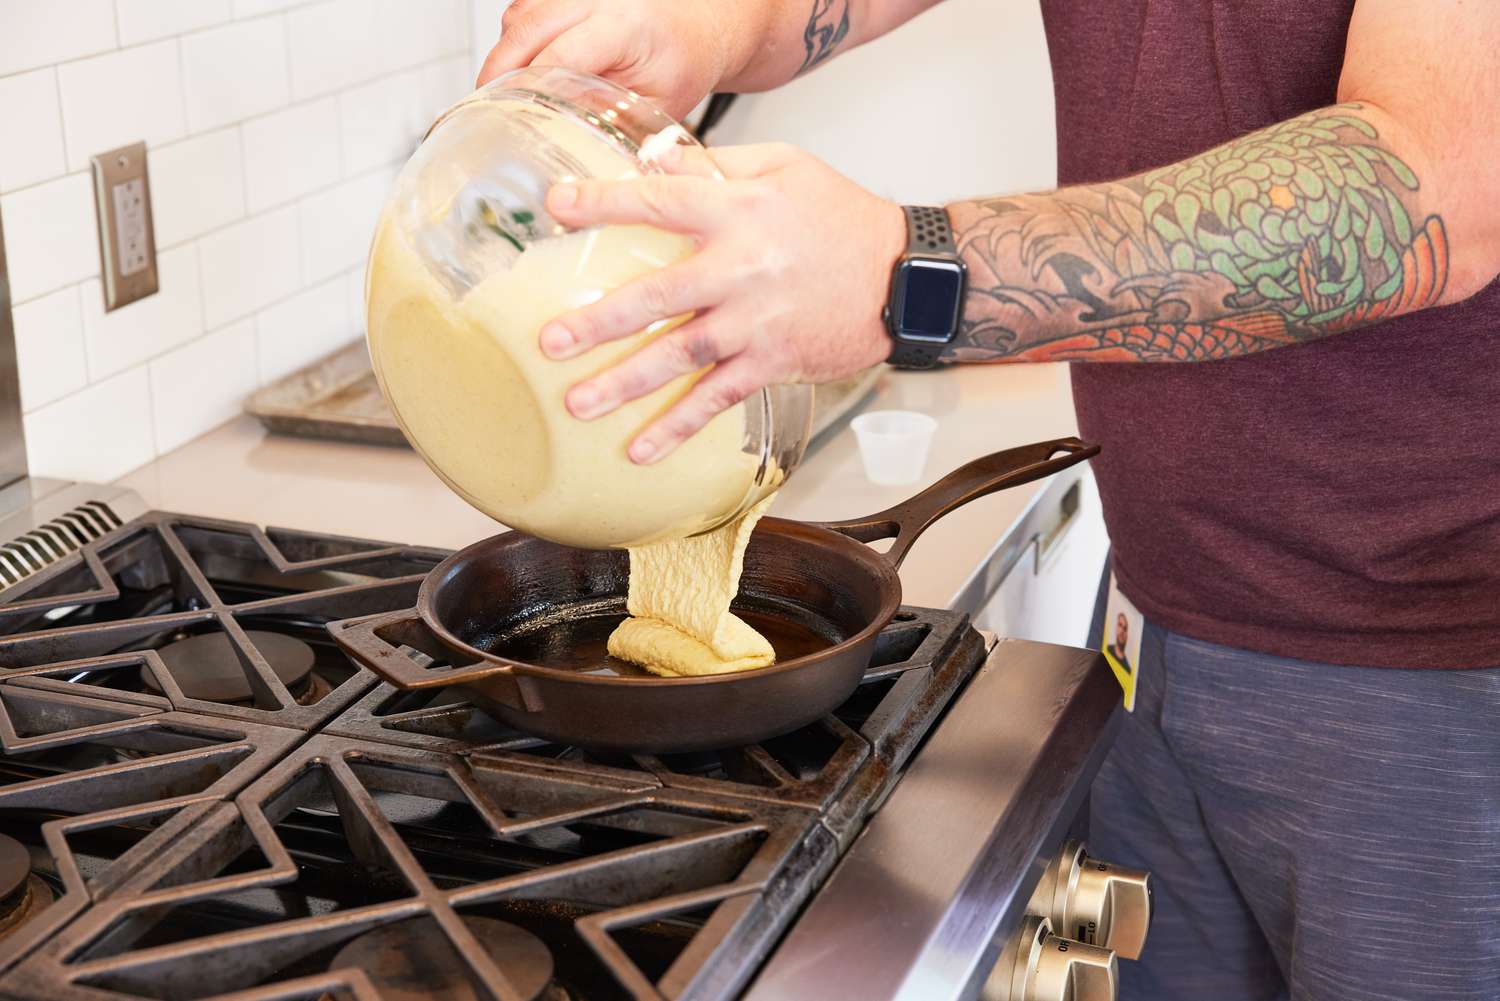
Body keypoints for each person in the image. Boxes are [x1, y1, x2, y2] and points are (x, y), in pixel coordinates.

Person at [477, 2, 1500, 998]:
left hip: (1430, 686)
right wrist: (706, 22)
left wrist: (905, 268)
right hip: (1152, 626)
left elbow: (1430, 191)